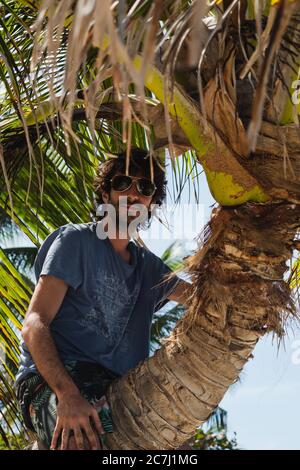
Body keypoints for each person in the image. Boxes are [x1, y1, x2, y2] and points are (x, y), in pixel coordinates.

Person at [15, 148, 192, 450]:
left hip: (116, 388)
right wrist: (68, 396)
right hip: (56, 377)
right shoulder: (75, 241)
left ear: (152, 202)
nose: (134, 194)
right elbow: (34, 324)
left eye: (145, 188)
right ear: (106, 192)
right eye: (123, 183)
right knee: (80, 438)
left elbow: (203, 299)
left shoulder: (148, 268)